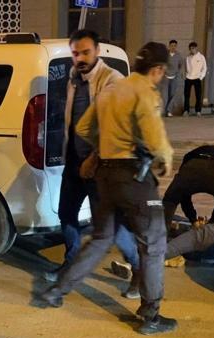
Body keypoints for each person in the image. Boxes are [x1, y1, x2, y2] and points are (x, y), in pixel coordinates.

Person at [31, 42, 178, 336]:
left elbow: (84, 129)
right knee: (153, 244)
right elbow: (154, 136)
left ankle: (56, 291)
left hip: (105, 175)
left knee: (100, 239)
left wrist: (104, 148)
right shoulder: (144, 92)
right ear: (158, 69)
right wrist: (166, 159)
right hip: (134, 178)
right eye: (162, 72)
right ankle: (151, 316)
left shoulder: (111, 90)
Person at [47, 29, 141, 299]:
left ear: (97, 51)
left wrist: (94, 157)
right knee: (66, 214)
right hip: (75, 162)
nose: (80, 58)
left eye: (85, 52)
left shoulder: (112, 80)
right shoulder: (74, 80)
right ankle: (72, 262)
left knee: (109, 225)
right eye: (75, 53)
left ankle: (138, 268)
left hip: (102, 165)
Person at [183, 42, 207, 116]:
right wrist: (185, 75)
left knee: (198, 95)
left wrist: (201, 77)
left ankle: (198, 111)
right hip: (188, 78)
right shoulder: (188, 57)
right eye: (190, 49)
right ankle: (186, 110)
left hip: (197, 78)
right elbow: (186, 67)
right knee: (186, 95)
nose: (192, 50)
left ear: (196, 48)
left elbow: (204, 68)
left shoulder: (201, 57)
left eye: (193, 48)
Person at [162, 40, 183, 117]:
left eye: (175, 46)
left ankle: (168, 110)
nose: (173, 47)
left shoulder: (178, 55)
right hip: (166, 77)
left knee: (173, 94)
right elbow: (162, 63)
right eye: (172, 45)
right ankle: (166, 110)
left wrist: (178, 72)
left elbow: (181, 65)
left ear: (176, 46)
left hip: (174, 77)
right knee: (165, 95)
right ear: (169, 46)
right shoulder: (165, 55)